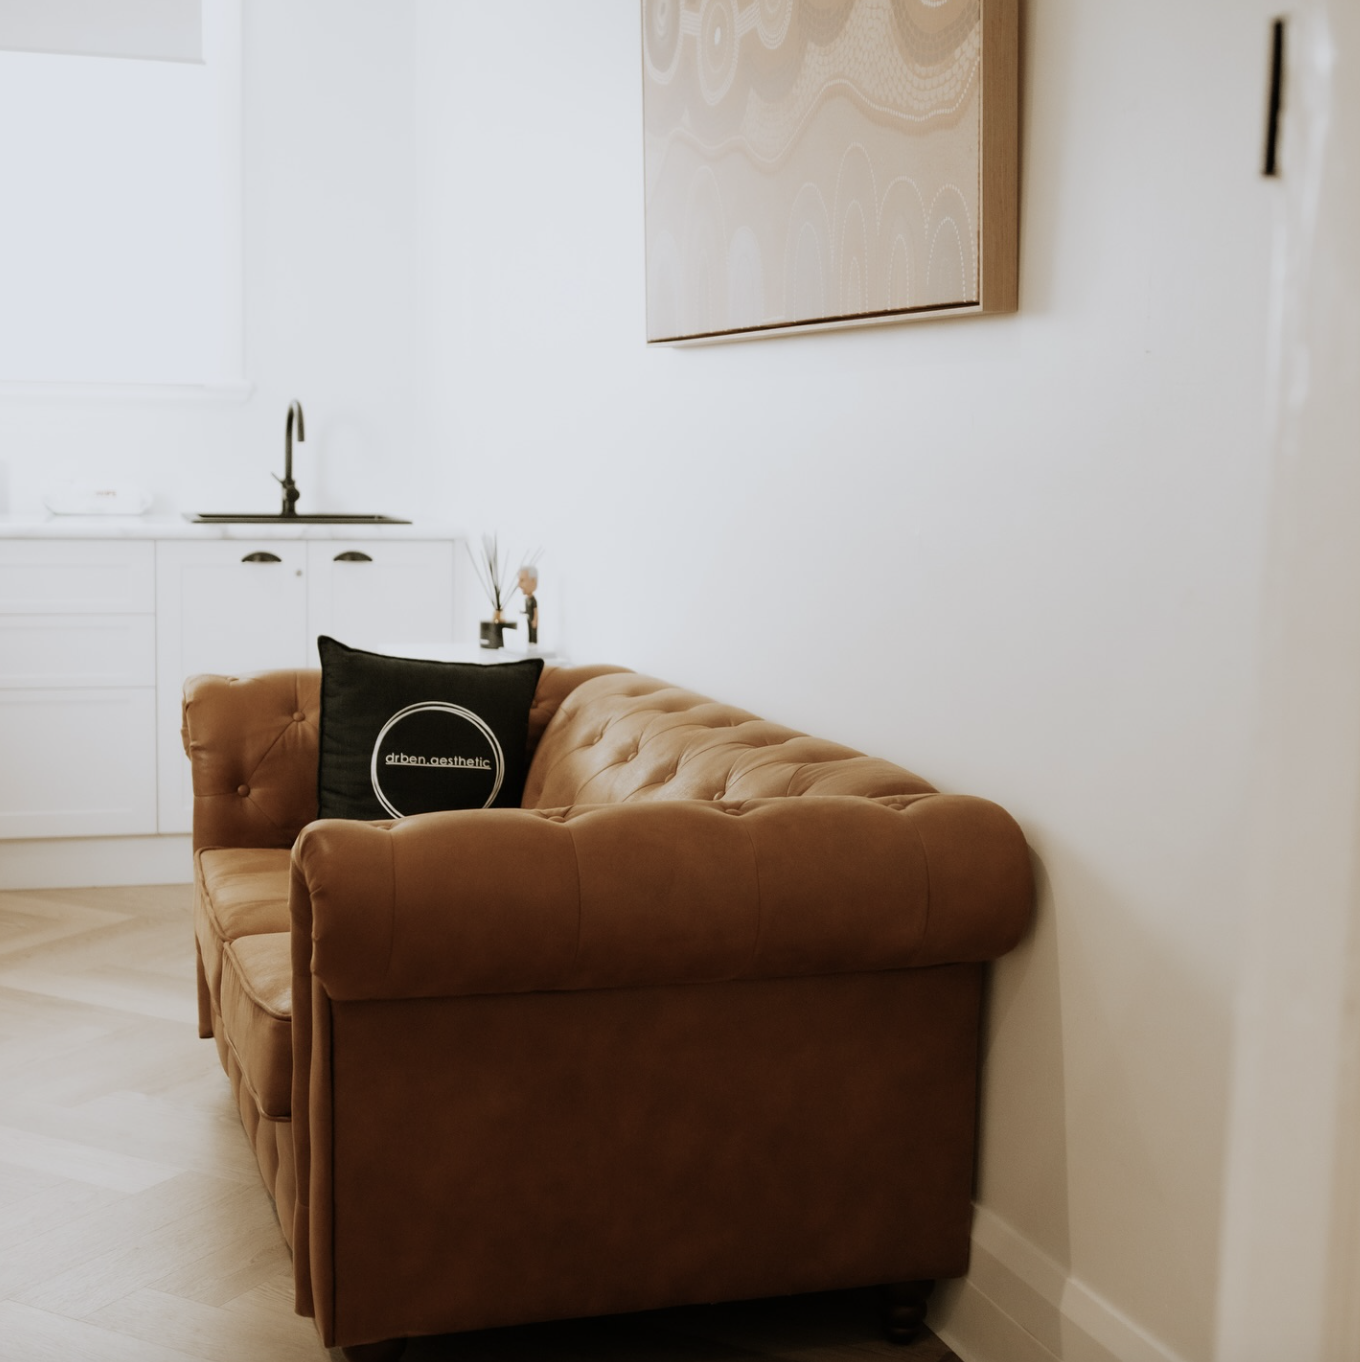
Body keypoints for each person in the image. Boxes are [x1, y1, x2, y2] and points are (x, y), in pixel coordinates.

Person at [518, 565, 539, 644]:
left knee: (533, 632)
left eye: (522, 580)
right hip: (528, 619)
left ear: (533, 581)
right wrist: (522, 612)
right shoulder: (526, 599)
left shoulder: (533, 600)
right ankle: (530, 642)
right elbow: (527, 610)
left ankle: (533, 642)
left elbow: (535, 611)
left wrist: (535, 620)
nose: (519, 585)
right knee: (529, 631)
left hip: (532, 620)